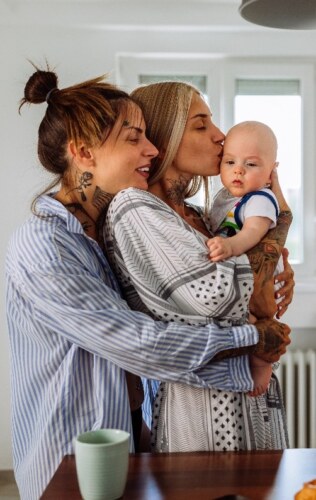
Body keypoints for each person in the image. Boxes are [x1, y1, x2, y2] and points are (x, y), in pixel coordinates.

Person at [5, 67, 292, 500]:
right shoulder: (44, 244)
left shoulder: (96, 234)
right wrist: (252, 338)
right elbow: (138, 341)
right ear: (84, 152)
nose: (152, 149)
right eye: (134, 138)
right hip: (65, 460)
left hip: (123, 444)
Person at [104, 80, 293, 454]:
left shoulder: (202, 215)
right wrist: (278, 229)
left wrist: (270, 268)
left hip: (252, 400)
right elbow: (219, 297)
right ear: (165, 135)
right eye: (201, 124)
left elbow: (247, 287)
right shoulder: (136, 208)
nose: (221, 136)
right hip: (203, 412)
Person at [207, 120, 285, 397]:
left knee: (261, 321)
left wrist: (229, 246)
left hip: (260, 281)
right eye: (230, 162)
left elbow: (254, 231)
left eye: (251, 164)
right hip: (242, 277)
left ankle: (263, 364)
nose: (238, 169)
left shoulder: (260, 199)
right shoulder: (225, 198)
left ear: (269, 174)